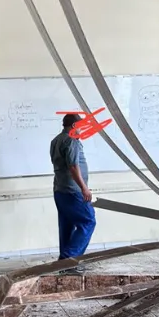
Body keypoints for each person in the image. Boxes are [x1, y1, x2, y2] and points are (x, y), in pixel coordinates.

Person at [51, 113, 96, 271]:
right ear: (74, 126)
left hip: (60, 190)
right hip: (73, 191)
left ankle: (63, 262)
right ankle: (68, 261)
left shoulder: (56, 140)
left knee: (67, 225)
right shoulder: (72, 140)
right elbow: (73, 166)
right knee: (88, 221)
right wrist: (84, 188)